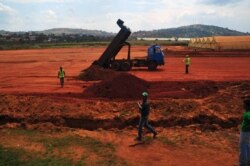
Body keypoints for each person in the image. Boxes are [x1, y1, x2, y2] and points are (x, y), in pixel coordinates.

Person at [239, 99, 250, 166]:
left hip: (245, 132)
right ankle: (248, 161)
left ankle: (243, 163)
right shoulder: (247, 112)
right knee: (248, 146)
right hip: (247, 132)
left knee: (242, 147)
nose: (243, 105)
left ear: (247, 105)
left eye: (244, 104)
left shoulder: (248, 113)